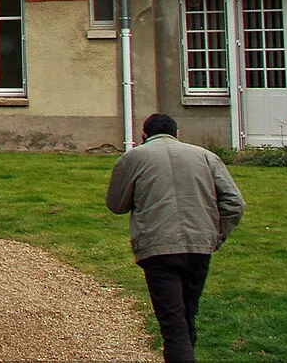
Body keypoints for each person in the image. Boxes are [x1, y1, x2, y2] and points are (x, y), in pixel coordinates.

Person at [105, 112, 246, 363]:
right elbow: (234, 203)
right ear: (177, 134)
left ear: (143, 136)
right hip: (199, 246)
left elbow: (116, 205)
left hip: (157, 248)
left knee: (173, 325)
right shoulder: (206, 156)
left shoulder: (132, 158)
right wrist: (215, 235)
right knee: (187, 315)